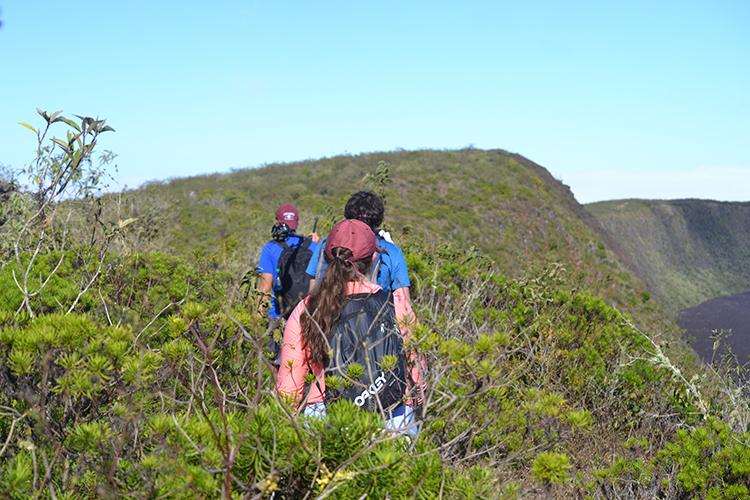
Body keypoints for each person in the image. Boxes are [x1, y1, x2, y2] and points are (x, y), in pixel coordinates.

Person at [276, 219, 423, 434]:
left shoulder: (307, 309)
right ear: (374, 259)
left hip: (327, 417)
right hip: (391, 414)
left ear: (327, 257)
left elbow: (290, 384)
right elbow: (416, 372)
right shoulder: (397, 304)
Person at [306, 191, 415, 328]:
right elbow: (403, 301)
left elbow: (313, 287)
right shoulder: (391, 251)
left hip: (329, 320)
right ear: (377, 219)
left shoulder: (327, 244)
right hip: (375, 326)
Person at [257, 203, 319, 367]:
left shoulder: (270, 248)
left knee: (278, 367)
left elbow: (265, 288)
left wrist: (256, 322)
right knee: (308, 366)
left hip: (278, 318)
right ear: (297, 223)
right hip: (307, 316)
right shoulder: (313, 245)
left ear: (277, 221)